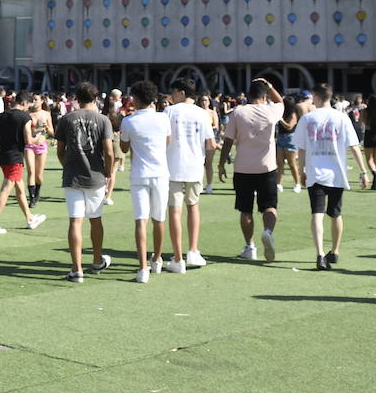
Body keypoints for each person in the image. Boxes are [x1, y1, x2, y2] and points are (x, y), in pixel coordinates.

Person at [292, 83, 369, 269]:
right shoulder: (341, 117)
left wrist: (301, 171)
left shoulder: (307, 119)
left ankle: (319, 254)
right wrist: (363, 171)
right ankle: (334, 251)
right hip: (337, 173)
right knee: (335, 214)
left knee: (317, 214)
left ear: (316, 97)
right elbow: (354, 146)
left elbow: (300, 149)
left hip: (315, 172)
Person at [217, 77, 284, 262]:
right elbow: (280, 101)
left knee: (245, 209)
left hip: (243, 167)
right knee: (269, 206)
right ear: (264, 96)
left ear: (247, 95)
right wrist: (270, 86)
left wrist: (222, 163)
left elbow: (228, 140)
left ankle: (250, 246)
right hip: (267, 167)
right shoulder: (271, 110)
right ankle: (268, 231)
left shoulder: (238, 112)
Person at [56, 82, 114, 282]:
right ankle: (97, 260)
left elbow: (60, 151)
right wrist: (108, 171)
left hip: (73, 175)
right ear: (95, 98)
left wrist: (67, 165)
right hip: (96, 175)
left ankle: (76, 268)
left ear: (77, 99)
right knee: (95, 219)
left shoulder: (66, 119)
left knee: (75, 221)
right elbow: (108, 150)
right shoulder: (103, 120)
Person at [118, 80, 170, 282]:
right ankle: (156, 259)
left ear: (136, 99)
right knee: (159, 219)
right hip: (160, 173)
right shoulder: (163, 119)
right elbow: (167, 142)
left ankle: (143, 268)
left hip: (140, 174)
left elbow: (123, 148)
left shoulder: (129, 121)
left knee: (141, 220)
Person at [164, 78, 215, 273]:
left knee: (174, 210)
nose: (172, 96)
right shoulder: (203, 114)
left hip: (173, 166)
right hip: (194, 166)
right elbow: (210, 144)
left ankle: (178, 258)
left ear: (182, 93)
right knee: (193, 206)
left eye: (174, 92)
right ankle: (193, 250)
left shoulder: (169, 111)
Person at [0, 90, 47, 234]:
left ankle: (30, 218)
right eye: (27, 106)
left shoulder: (0, 117)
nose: (27, 108)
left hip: (2, 157)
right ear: (24, 103)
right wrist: (39, 139)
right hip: (15, 158)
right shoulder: (25, 117)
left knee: (20, 189)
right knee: (6, 189)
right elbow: (29, 140)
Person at [26, 94, 54, 207]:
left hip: (41, 145)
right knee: (31, 171)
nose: (34, 102)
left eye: (36, 100)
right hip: (29, 145)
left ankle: (37, 193)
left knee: (39, 175)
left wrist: (47, 128)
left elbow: (52, 133)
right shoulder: (28, 114)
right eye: (32, 100)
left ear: (42, 101)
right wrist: (37, 129)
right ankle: (32, 198)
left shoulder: (46, 114)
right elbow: (27, 132)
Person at [276, 95, 303, 192]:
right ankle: (278, 184)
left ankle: (297, 184)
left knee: (292, 164)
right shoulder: (282, 112)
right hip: (281, 138)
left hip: (290, 139)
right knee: (280, 163)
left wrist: (280, 119)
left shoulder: (293, 114)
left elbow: (289, 126)